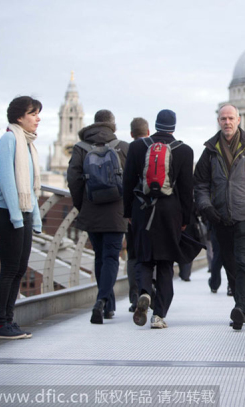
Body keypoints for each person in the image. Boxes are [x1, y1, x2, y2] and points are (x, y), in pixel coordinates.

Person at [194, 104, 245, 330]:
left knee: (244, 262)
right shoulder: (209, 151)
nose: (227, 122)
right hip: (219, 217)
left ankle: (242, 309)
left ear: (238, 120)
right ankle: (240, 304)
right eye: (223, 118)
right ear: (218, 121)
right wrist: (206, 207)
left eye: (230, 118)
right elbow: (200, 184)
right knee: (229, 264)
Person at [123, 109, 194, 329]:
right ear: (173, 127)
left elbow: (127, 183)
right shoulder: (184, 151)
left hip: (142, 210)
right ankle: (158, 316)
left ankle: (144, 292)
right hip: (170, 211)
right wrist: (185, 219)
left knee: (144, 259)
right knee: (165, 264)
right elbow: (186, 189)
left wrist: (128, 213)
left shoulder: (136, 147)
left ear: (154, 125)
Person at [67, 109, 129, 324]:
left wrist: (81, 204)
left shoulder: (80, 148)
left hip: (91, 209)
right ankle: (103, 301)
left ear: (94, 124)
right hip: (117, 211)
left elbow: (73, 180)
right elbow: (133, 182)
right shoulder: (123, 147)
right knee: (112, 257)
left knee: (100, 256)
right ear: (113, 125)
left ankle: (107, 306)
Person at [0, 96, 43, 339]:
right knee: (10, 268)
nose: (38, 118)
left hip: (24, 213)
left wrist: (36, 218)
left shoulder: (28, 144)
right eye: (33, 113)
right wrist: (17, 217)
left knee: (19, 269)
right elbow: (8, 183)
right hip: (8, 213)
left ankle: (9, 321)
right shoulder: (9, 140)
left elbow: (31, 188)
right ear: (19, 117)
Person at [125, 117, 149, 312]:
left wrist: (126, 212)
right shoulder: (155, 148)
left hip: (132, 211)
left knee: (133, 256)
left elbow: (126, 184)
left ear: (131, 133)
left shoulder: (127, 149)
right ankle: (150, 292)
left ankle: (135, 297)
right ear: (148, 132)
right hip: (151, 211)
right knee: (151, 255)